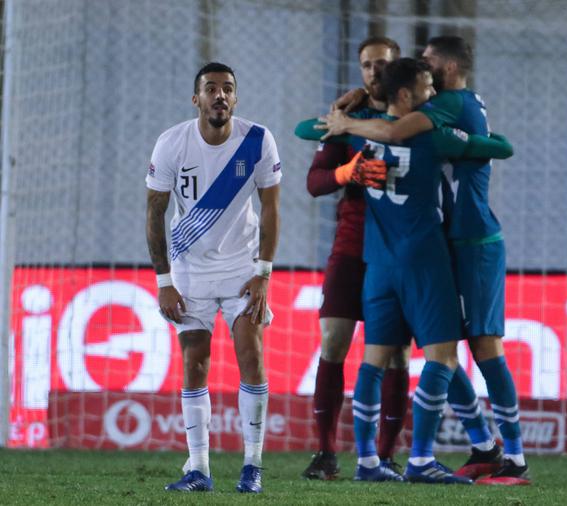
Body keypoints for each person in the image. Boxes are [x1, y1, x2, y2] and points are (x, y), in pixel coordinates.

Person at [319, 35, 530, 486]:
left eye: (433, 69)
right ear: (406, 95)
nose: (430, 83)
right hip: (431, 256)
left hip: (382, 264)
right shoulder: (434, 135)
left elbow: (327, 142)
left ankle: (369, 461)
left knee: (376, 360)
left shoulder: (367, 146)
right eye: (423, 81)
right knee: (450, 355)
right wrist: (490, 142)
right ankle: (433, 458)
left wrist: (343, 121)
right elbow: (498, 147)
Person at [145, 62, 281, 494]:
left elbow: (273, 208)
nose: (219, 95)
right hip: (189, 270)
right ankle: (199, 470)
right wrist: (164, 280)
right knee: (195, 363)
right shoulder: (172, 143)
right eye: (210, 89)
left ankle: (252, 465)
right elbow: (154, 212)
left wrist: (263, 271)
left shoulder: (257, 140)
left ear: (235, 99)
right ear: (196, 99)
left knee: (251, 353)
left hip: (243, 266)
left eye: (227, 89)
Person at [300, 36, 412, 481]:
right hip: (351, 246)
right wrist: (348, 172)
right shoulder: (346, 117)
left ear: (397, 66)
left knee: (397, 356)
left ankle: (386, 456)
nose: (373, 72)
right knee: (332, 343)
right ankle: (326, 453)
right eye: (366, 65)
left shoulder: (417, 117)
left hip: (400, 251)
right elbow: (314, 182)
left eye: (382, 64)